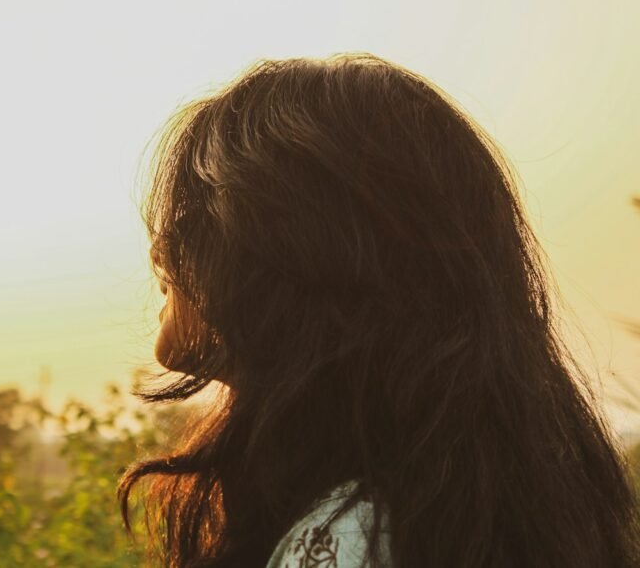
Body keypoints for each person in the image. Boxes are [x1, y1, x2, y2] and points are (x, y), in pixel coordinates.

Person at [117, 54, 640, 567]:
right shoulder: (437, 507)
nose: (160, 248)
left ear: (296, 253)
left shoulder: (346, 542)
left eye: (195, 215)